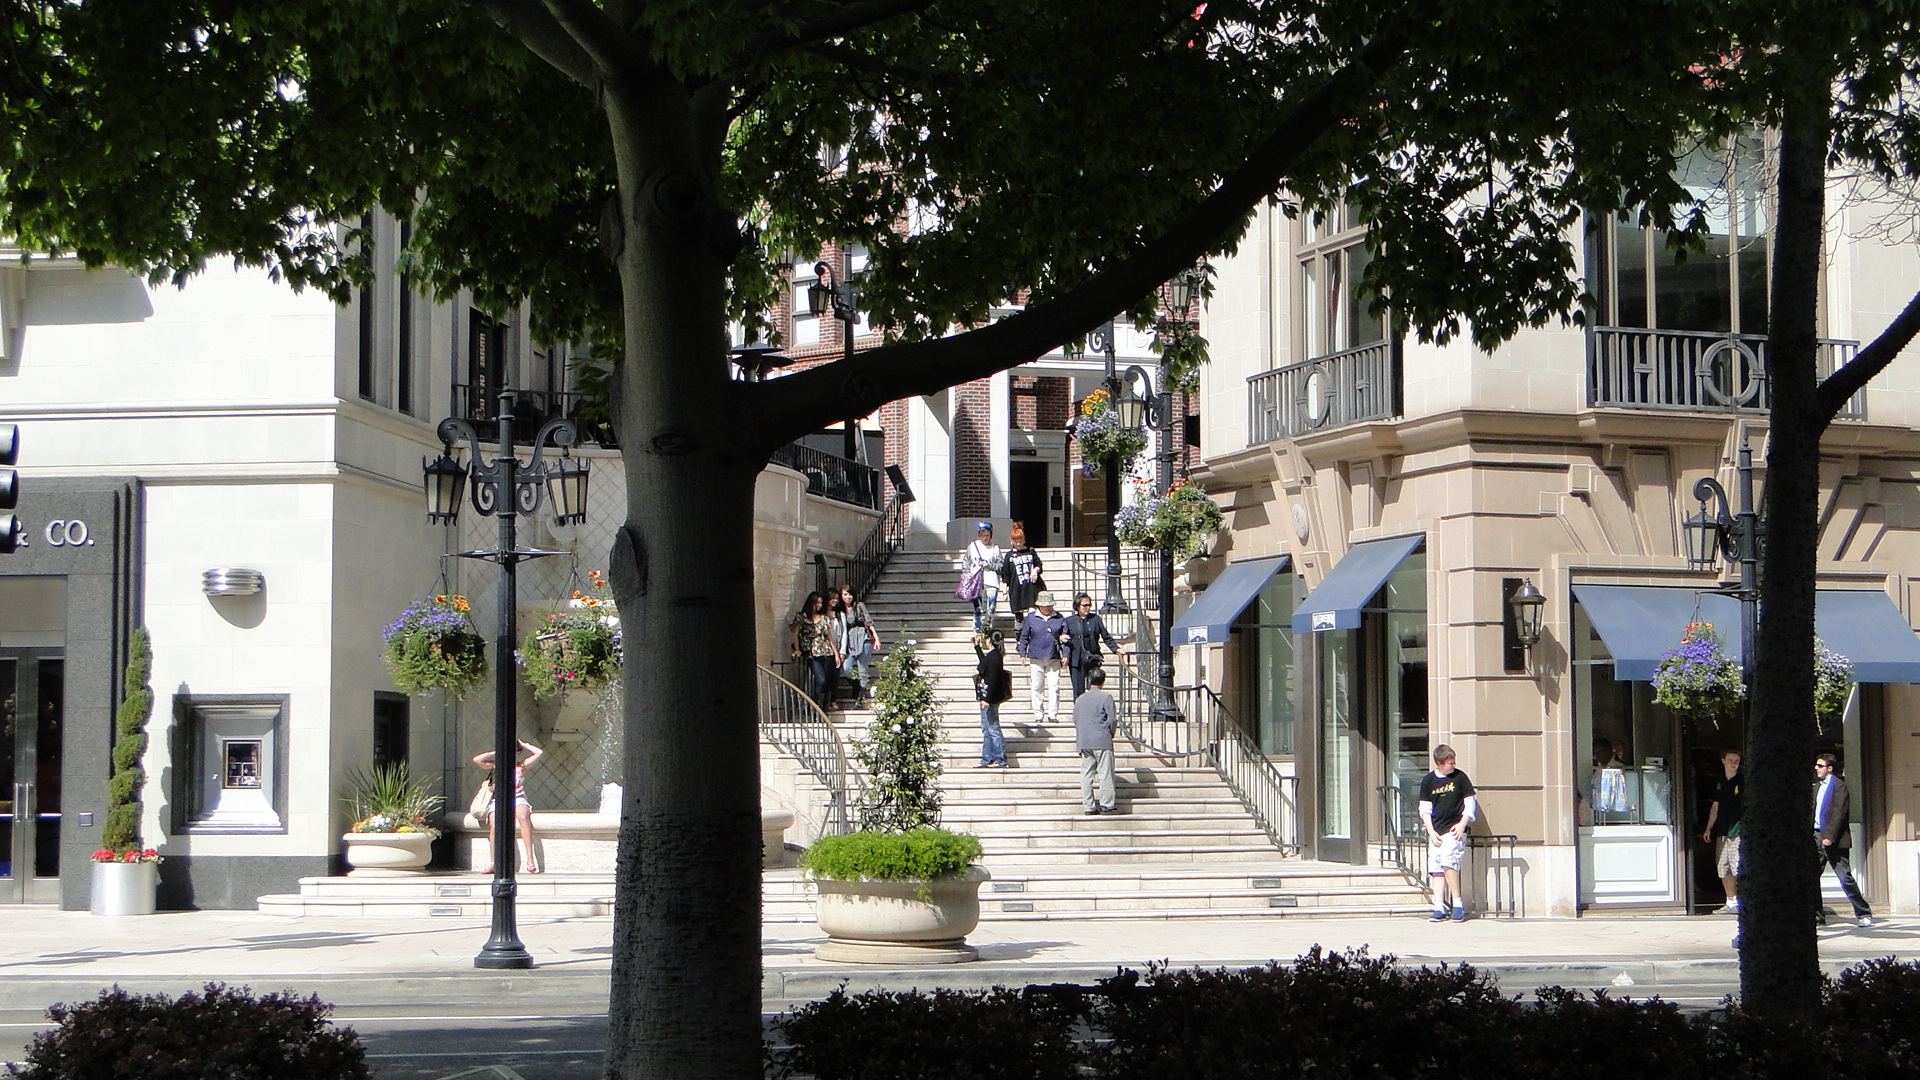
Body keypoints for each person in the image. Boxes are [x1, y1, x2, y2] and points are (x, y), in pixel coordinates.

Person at [1418, 744, 1477, 923]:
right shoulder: (1428, 781)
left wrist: (1462, 824)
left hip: (1454, 830)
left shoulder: (1460, 778)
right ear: (1440, 763)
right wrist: (1430, 831)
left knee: (1449, 863)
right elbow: (1425, 808)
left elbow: (1469, 803)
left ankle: (1457, 904)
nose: (1453, 765)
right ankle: (1439, 906)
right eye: (1449, 763)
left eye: (1453, 762)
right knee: (1436, 868)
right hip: (1437, 830)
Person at [1814, 753, 1873, 927]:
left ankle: (1863, 913)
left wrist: (1830, 836)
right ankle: (1817, 917)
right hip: (1816, 836)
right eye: (1816, 765)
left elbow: (1839, 813)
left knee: (1844, 877)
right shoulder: (1817, 787)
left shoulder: (1839, 787)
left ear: (1829, 768)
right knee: (1811, 877)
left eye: (1820, 766)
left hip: (1834, 839)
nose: (1816, 768)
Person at [473, 739, 544, 874]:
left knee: (523, 818)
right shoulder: (496, 765)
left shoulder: (521, 766)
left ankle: (530, 859)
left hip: (518, 798)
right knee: (494, 825)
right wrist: (496, 752)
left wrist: (524, 745)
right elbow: (477, 760)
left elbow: (539, 753)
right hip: (499, 799)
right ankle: (494, 862)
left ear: (517, 753)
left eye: (513, 751)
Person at [1700, 749, 1743, 914]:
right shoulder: (1720, 782)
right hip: (1722, 832)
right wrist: (1708, 828)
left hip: (1737, 833)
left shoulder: (1742, 781)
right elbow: (1715, 807)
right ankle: (1731, 902)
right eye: (1730, 760)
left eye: (1736, 761)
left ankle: (1743, 902)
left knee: (1738, 867)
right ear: (1723, 761)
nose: (1734, 764)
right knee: (1723, 867)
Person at [1016, 591, 1070, 722]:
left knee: (1054, 686)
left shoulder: (1059, 618)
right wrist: (1022, 653)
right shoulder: (1031, 618)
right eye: (1046, 606)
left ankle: (1053, 714)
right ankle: (1038, 714)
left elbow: (1066, 638)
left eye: (1050, 605)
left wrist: (1066, 654)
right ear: (1039, 606)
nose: (1049, 608)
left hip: (1054, 656)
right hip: (1036, 657)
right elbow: (1024, 637)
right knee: (1037, 686)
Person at [1072, 667, 1118, 815]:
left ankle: (1089, 806)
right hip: (1101, 739)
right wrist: (1110, 734)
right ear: (1103, 681)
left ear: (1089, 680)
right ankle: (1107, 804)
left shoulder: (1080, 699)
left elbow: (1075, 719)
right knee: (1105, 773)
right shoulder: (1106, 697)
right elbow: (1112, 720)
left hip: (1084, 740)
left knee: (1086, 774)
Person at [790, 591, 840, 711]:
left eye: (821, 603)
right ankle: (817, 707)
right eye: (817, 603)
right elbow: (795, 635)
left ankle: (824, 708)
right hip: (812, 653)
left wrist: (836, 654)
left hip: (827, 651)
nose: (819, 605)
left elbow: (830, 637)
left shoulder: (824, 618)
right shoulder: (801, 618)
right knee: (821, 680)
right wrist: (797, 650)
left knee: (827, 681)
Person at [1063, 593, 1120, 698]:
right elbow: (1065, 640)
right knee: (1078, 690)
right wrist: (1065, 655)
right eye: (1084, 605)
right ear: (1077, 606)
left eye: (1089, 605)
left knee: (1095, 688)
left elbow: (1106, 636)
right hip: (1077, 660)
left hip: (1093, 658)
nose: (1087, 607)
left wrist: (1116, 649)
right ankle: (1080, 708)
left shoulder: (1095, 619)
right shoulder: (1069, 621)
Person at [832, 585, 880, 706]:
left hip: (863, 638)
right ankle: (857, 686)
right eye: (845, 594)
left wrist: (875, 637)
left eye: (850, 594)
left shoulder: (859, 606)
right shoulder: (840, 610)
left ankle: (861, 697)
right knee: (846, 668)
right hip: (849, 641)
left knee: (862, 668)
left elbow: (868, 621)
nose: (848, 597)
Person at [972, 629, 1013, 768]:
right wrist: (977, 647)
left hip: (990, 698)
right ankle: (987, 758)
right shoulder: (994, 656)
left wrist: (987, 700)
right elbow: (984, 664)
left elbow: (993, 679)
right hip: (987, 697)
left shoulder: (995, 657)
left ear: (990, 640)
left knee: (993, 728)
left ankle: (1000, 758)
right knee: (987, 729)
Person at [960, 522, 1004, 630]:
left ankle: (987, 626)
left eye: (987, 535)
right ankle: (977, 629)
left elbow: (1001, 565)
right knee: (978, 608)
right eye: (983, 535)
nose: (985, 538)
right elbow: (966, 561)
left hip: (991, 580)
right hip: (976, 580)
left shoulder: (995, 548)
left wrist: (989, 565)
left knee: (991, 607)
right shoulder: (973, 546)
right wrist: (966, 573)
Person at [1000, 522, 1046, 619]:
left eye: (1020, 542)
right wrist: (1004, 591)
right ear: (1011, 541)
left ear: (1024, 540)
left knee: (1032, 613)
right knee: (1019, 617)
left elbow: (1039, 565)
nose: (1018, 544)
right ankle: (1020, 628)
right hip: (1016, 589)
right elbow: (1006, 575)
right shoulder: (1009, 556)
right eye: (1016, 542)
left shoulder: (1030, 551)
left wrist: (1035, 570)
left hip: (1031, 588)